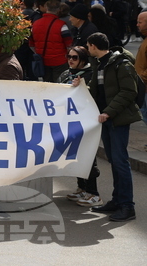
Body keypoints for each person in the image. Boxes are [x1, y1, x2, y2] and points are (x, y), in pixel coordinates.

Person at [81, 32, 139, 222]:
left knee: (120, 162)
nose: (88, 50)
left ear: (93, 46)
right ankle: (117, 200)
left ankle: (127, 206)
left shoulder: (120, 63)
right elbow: (96, 89)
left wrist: (109, 112)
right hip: (106, 119)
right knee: (115, 161)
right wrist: (79, 85)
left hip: (116, 119)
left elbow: (129, 91)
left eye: (88, 46)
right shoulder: (100, 64)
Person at [59, 46, 100, 207]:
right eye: (69, 56)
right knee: (76, 156)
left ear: (83, 59)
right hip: (70, 123)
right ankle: (82, 188)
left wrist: (82, 86)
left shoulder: (91, 75)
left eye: (75, 57)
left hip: (86, 123)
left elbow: (94, 95)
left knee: (88, 156)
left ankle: (93, 193)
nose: (70, 60)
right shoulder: (66, 74)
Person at [30, 0, 70, 82]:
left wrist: (38, 52)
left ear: (46, 8)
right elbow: (69, 44)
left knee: (47, 86)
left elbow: (31, 44)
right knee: (60, 85)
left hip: (42, 60)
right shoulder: (62, 25)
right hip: (59, 61)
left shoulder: (35, 24)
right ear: (59, 9)